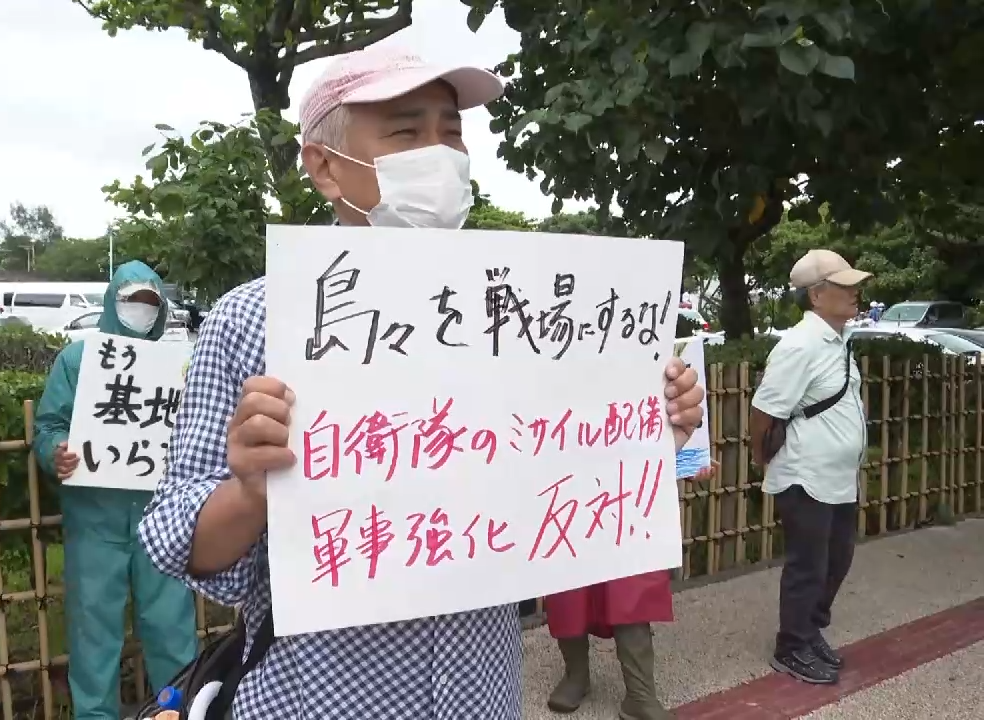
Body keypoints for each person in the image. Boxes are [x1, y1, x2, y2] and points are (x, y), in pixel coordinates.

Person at [136, 44, 707, 719]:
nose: (440, 155)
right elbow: (182, 542)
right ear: (325, 167)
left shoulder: (519, 313)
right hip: (317, 700)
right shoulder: (251, 321)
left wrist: (645, 431)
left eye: (452, 133)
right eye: (406, 132)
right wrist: (251, 489)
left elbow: (556, 473)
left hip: (483, 694)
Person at [34, 261, 199, 718]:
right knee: (93, 635)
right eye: (131, 302)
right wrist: (55, 453)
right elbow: (48, 426)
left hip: (161, 518)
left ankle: (178, 713)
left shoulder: (179, 364)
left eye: (149, 304)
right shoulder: (76, 360)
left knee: (172, 629)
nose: (140, 311)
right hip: (94, 519)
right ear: (111, 303)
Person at [751, 249, 870, 685]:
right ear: (816, 295)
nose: (855, 292)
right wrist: (763, 461)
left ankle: (810, 628)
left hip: (837, 475)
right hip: (805, 475)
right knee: (809, 564)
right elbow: (764, 411)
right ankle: (791, 645)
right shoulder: (800, 345)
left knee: (838, 557)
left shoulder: (837, 340)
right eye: (845, 286)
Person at [545, 465, 717, 720]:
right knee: (569, 585)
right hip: (568, 476)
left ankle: (640, 693)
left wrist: (690, 459)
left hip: (630, 481)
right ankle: (576, 674)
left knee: (631, 584)